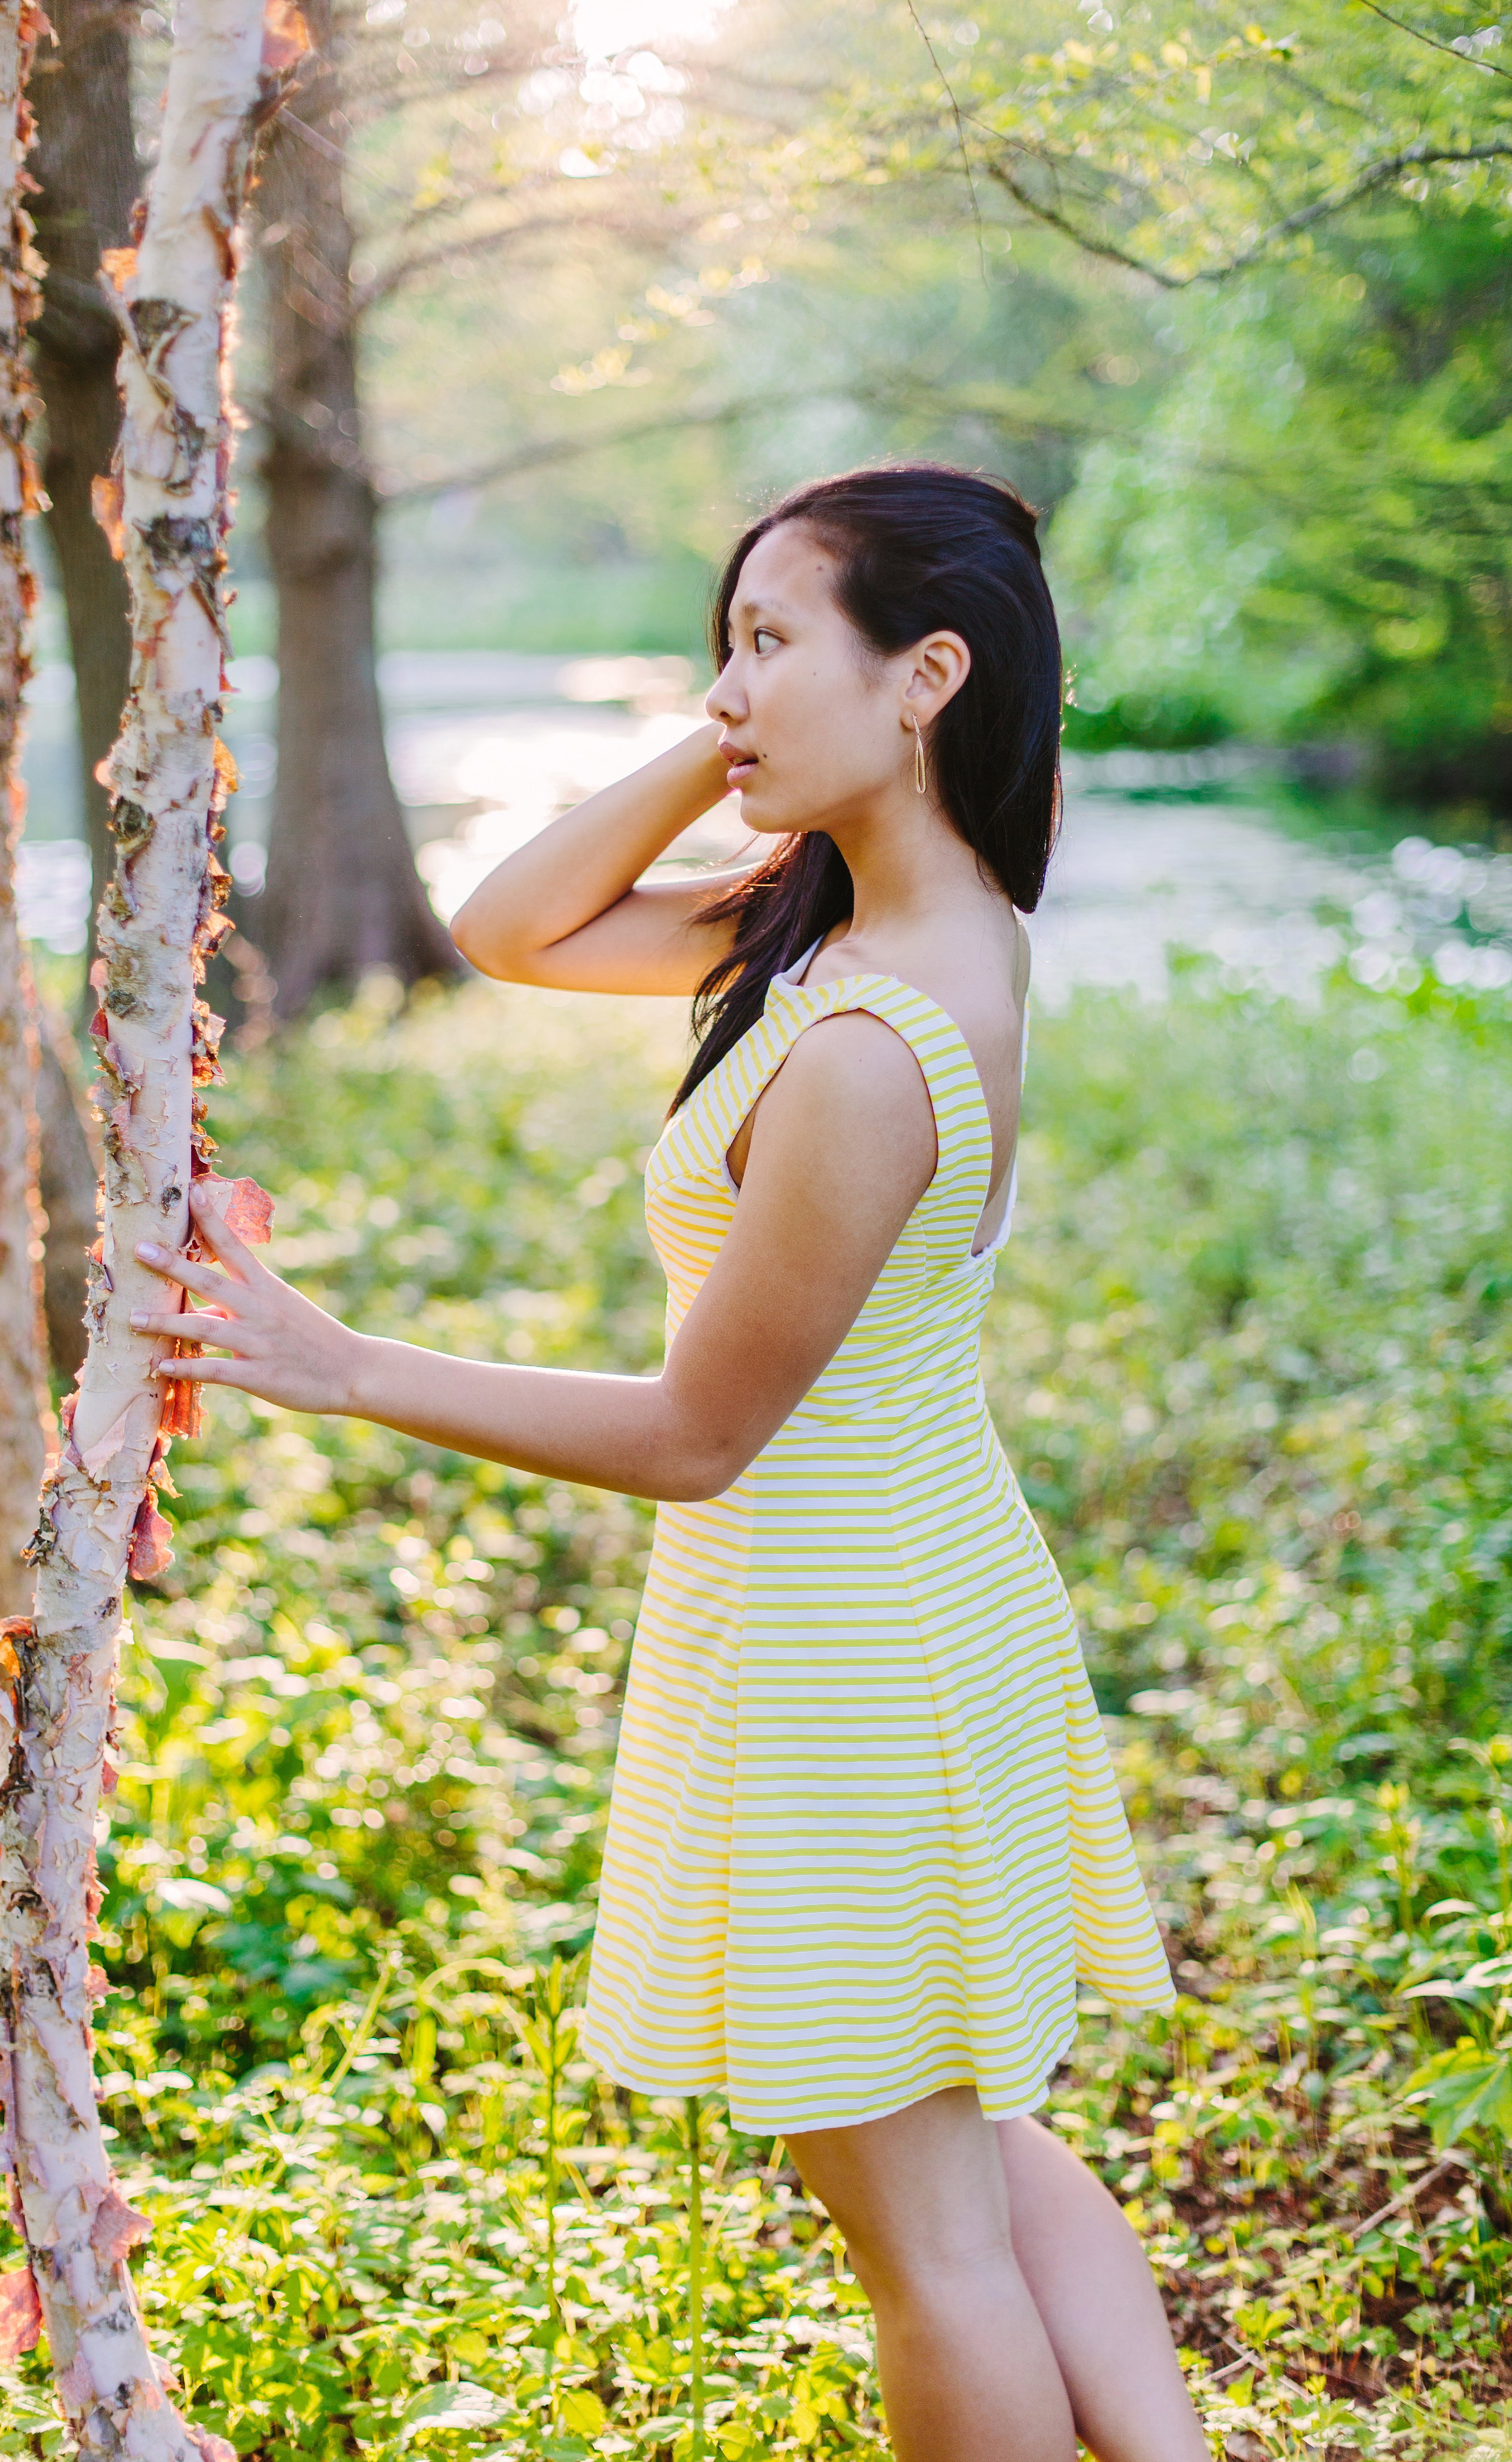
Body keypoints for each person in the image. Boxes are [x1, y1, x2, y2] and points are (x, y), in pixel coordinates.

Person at [134, 463, 1211, 2462]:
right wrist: (725, 731)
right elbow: (510, 923)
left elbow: (699, 1432)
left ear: (928, 677)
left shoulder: (879, 1036)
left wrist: (341, 1362)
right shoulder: (856, 917)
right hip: (891, 1591)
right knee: (958, 2132)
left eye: (771, 638)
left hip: (852, 1639)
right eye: (724, 642)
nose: (729, 686)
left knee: (914, 2227)